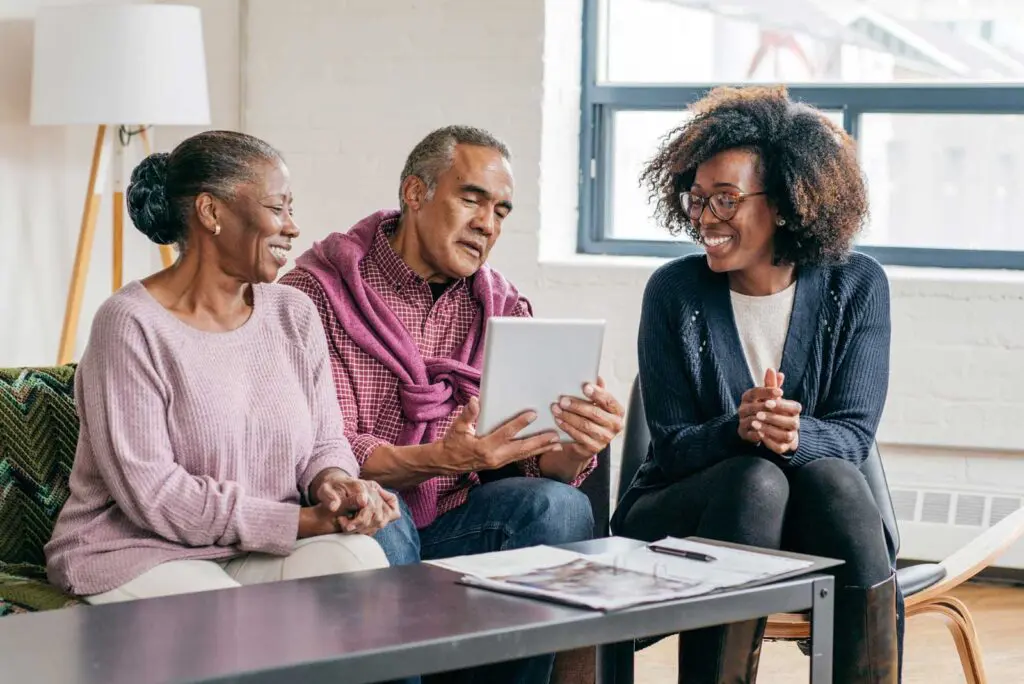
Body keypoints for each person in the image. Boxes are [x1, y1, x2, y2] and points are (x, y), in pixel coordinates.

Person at [280, 125, 625, 683]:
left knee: (561, 507)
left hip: (456, 522)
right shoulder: (316, 293)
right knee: (377, 519)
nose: (488, 224)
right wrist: (449, 456)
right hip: (359, 508)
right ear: (415, 193)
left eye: (502, 211)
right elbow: (326, 452)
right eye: (472, 199)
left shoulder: (504, 306)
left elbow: (533, 462)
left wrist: (575, 441)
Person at [611, 85, 901, 684]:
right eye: (697, 200)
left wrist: (794, 434)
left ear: (789, 204)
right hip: (685, 509)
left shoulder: (858, 286)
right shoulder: (674, 291)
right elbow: (670, 448)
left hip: (815, 514)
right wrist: (737, 429)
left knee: (834, 479)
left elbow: (852, 435)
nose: (704, 220)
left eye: (725, 200)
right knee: (754, 478)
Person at [45, 130, 399, 605]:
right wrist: (300, 522)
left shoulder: (293, 313)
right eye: (277, 208)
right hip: (140, 552)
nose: (292, 227)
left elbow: (324, 442)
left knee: (362, 563)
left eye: (291, 209)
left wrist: (334, 484)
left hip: (253, 547)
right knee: (227, 618)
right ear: (211, 212)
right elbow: (155, 494)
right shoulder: (130, 324)